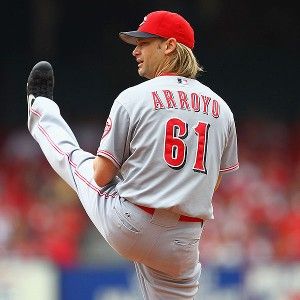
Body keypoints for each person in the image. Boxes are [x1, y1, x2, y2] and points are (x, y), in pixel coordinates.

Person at [26, 10, 239, 300]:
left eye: (144, 42)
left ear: (169, 46)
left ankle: (40, 106)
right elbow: (214, 184)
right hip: (183, 243)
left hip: (130, 223)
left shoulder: (134, 97)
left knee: (77, 161)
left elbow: (101, 176)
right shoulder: (222, 109)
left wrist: (135, 175)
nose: (135, 50)